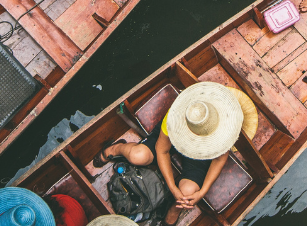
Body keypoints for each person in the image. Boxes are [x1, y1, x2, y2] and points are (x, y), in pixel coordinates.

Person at [93, 83, 245, 226]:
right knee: (137, 156)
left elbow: (219, 159)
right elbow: (162, 150)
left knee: (188, 192)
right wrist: (172, 187)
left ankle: (175, 207)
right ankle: (116, 148)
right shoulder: (177, 117)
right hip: (174, 138)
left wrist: (201, 192)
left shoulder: (224, 129)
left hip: (198, 154)